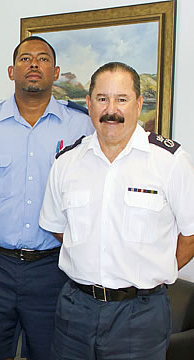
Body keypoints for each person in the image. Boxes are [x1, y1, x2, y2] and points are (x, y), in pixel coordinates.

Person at [0, 36, 94, 360]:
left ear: (55, 72)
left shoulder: (82, 126)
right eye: (25, 58)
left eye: (42, 59)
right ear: (11, 70)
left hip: (55, 269)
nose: (33, 64)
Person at [39, 62, 194, 359]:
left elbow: (191, 233)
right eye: (102, 99)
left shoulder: (170, 162)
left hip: (141, 313)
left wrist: (156, 269)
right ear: (88, 104)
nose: (111, 110)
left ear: (138, 103)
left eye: (121, 99)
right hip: (76, 309)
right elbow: (59, 228)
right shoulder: (67, 163)